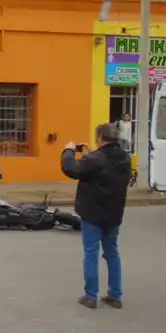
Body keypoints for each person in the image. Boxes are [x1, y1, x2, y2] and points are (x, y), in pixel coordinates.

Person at [61, 123, 131, 310]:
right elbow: (104, 166)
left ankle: (91, 296)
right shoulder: (125, 158)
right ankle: (115, 295)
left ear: (100, 138)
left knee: (91, 254)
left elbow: (72, 169)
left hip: (93, 214)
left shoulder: (95, 159)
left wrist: (68, 151)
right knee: (112, 253)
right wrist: (92, 153)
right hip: (114, 214)